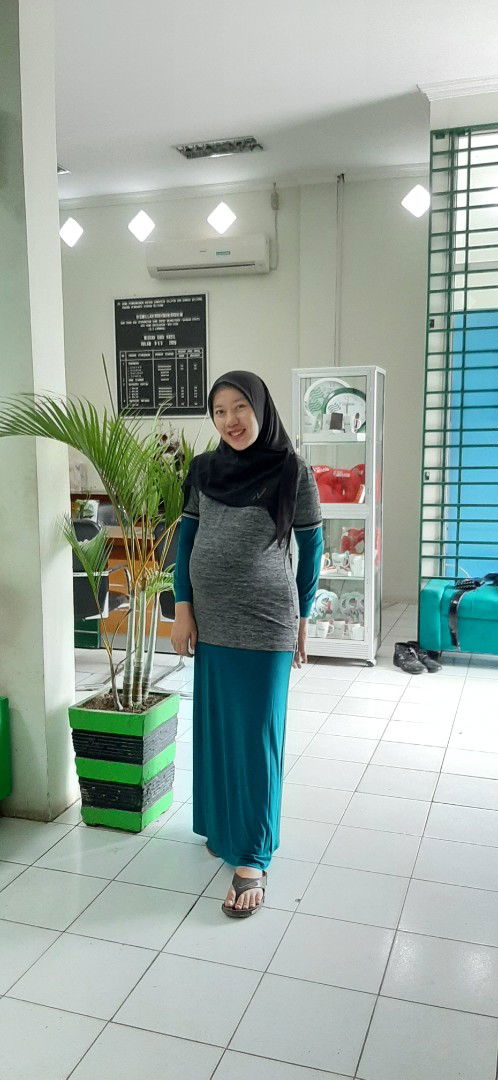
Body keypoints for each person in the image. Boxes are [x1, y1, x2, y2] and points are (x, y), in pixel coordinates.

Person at [171, 371, 323, 918]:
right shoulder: (204, 470)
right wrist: (182, 607)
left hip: (265, 621)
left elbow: (312, 546)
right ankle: (222, 829)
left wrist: (302, 617)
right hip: (211, 620)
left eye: (240, 407)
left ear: (261, 408)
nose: (230, 420)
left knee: (257, 737)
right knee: (216, 729)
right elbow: (186, 540)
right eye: (219, 411)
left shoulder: (292, 471)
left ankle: (254, 857)